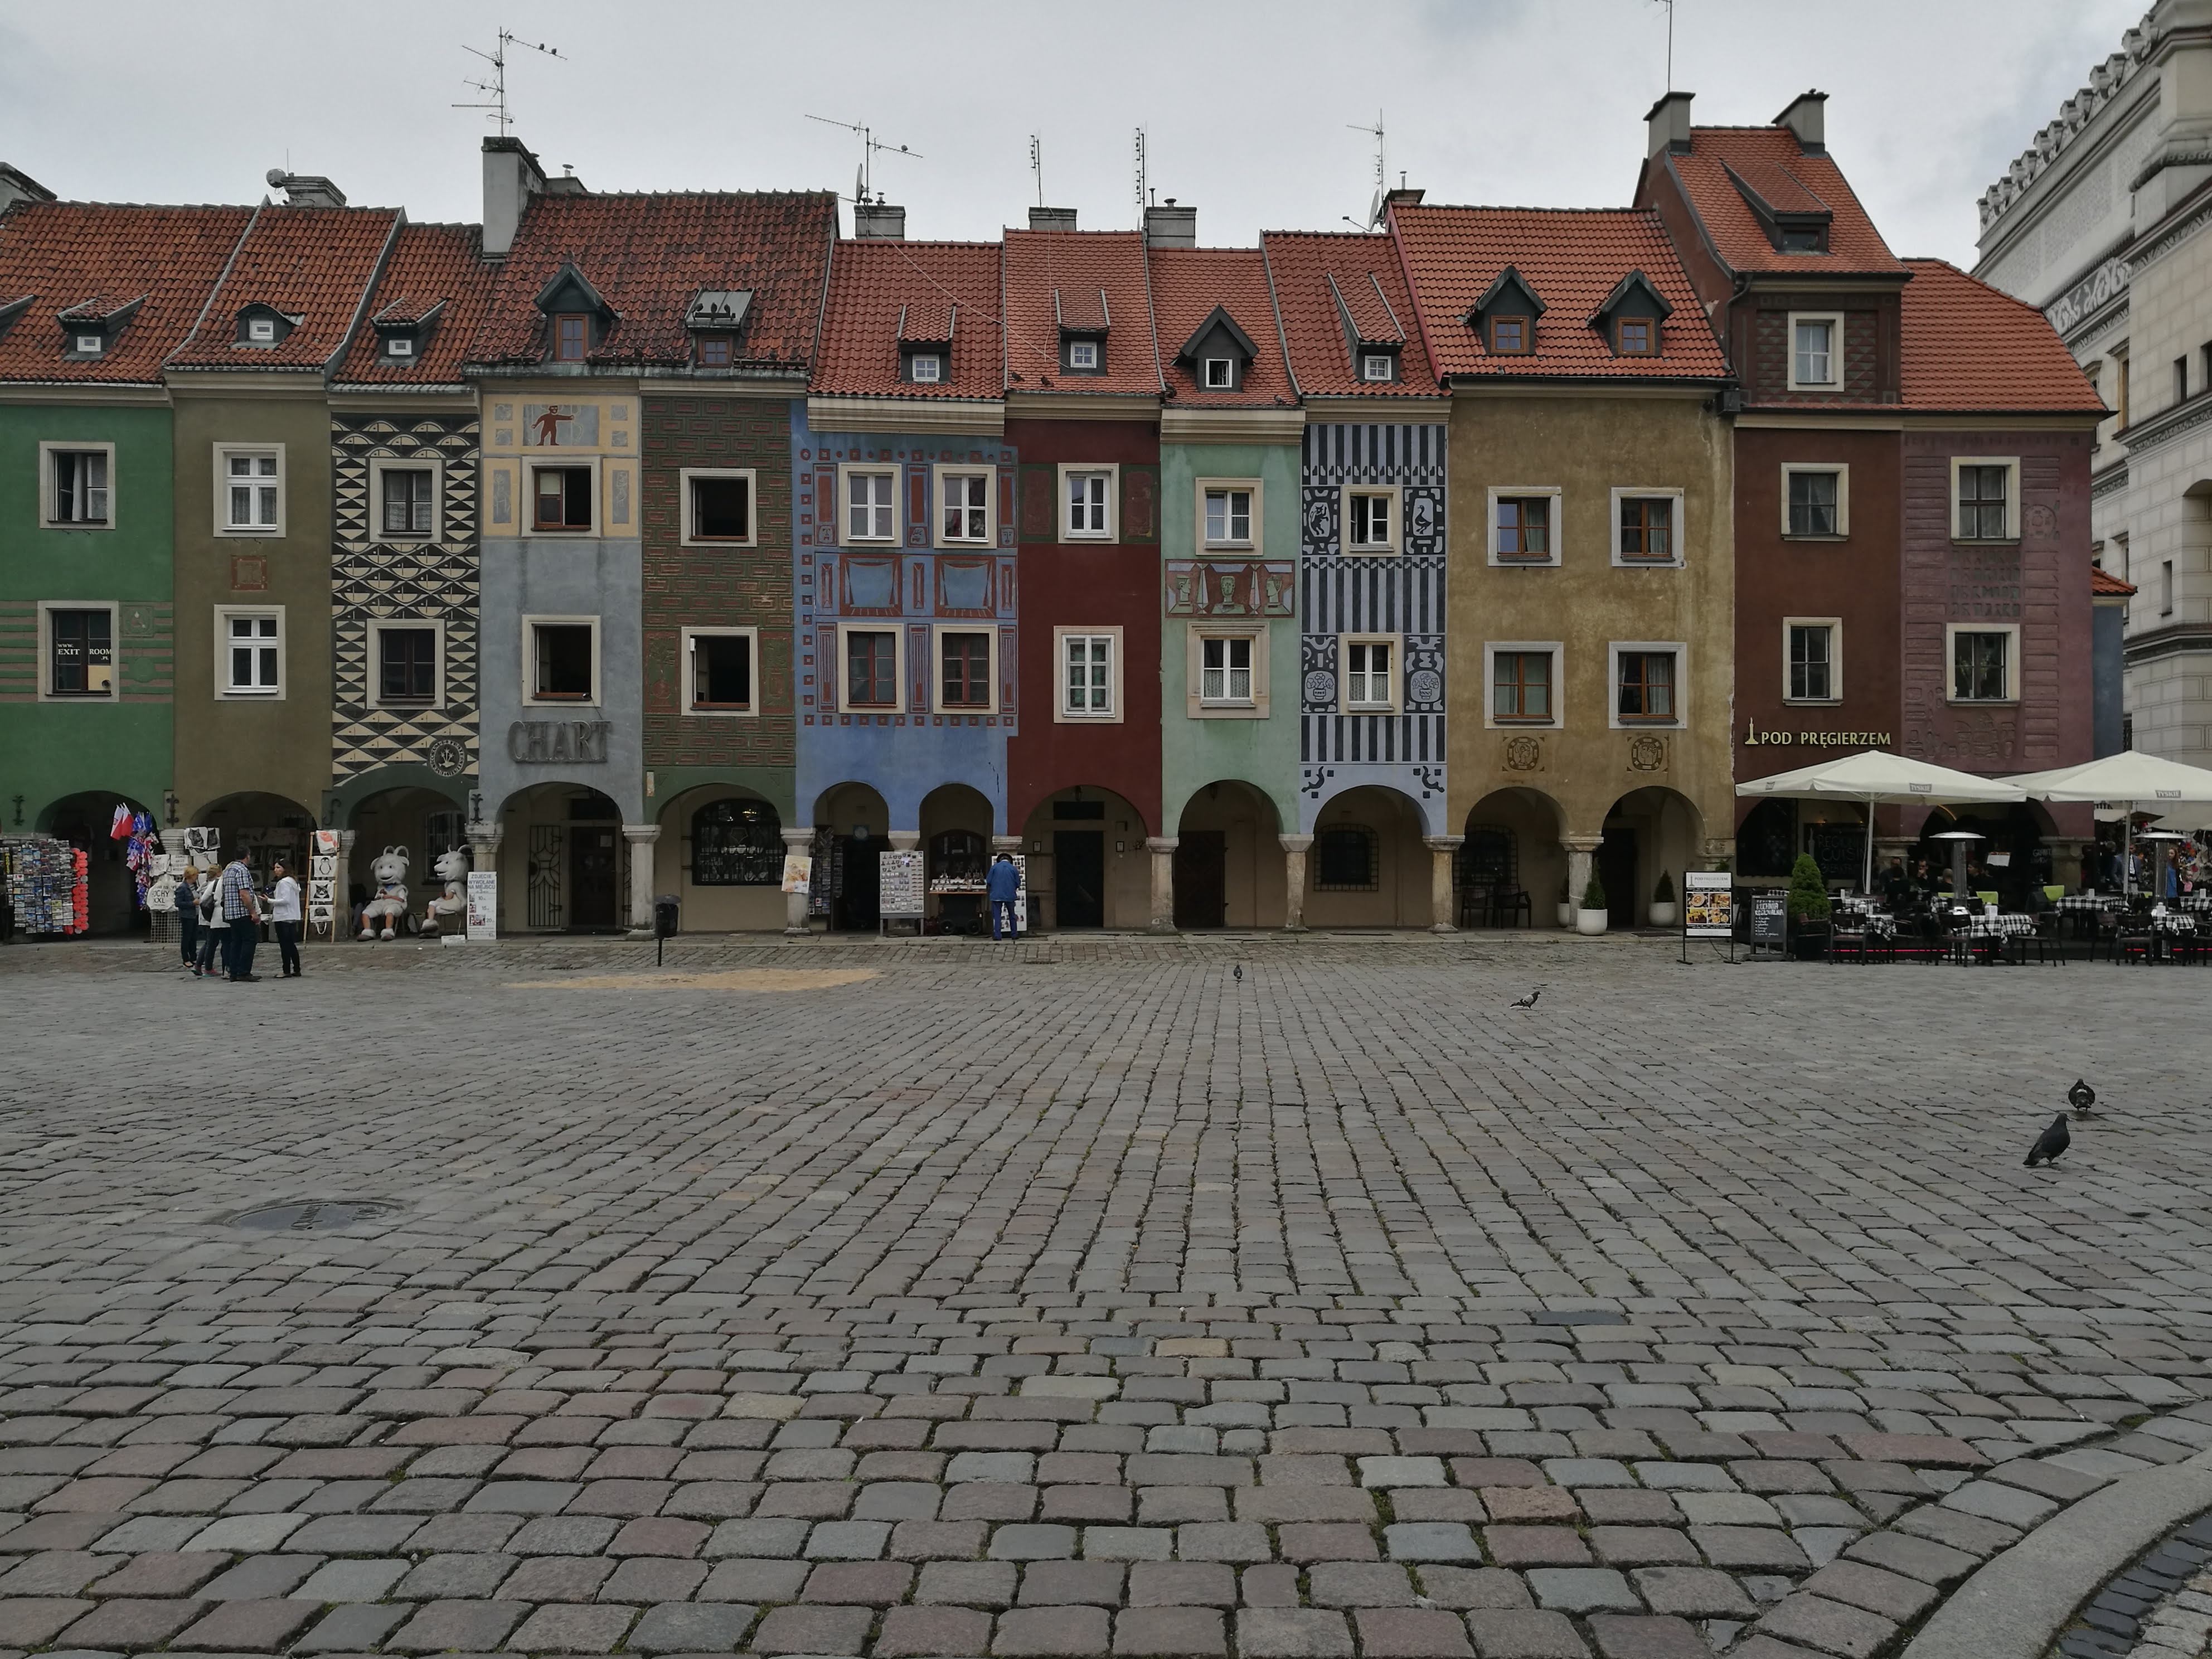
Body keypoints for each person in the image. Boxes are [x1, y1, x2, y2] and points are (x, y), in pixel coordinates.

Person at [219, 851, 263, 981]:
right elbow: (244, 893)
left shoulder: (227, 870)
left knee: (236, 942)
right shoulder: (242, 870)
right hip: (243, 912)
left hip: (231, 913)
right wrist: (253, 912)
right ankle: (244, 971)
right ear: (248, 856)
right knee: (249, 941)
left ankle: (234, 972)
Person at [269, 860, 303, 978]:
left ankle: (286, 970)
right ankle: (297, 968)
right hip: (292, 916)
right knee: (290, 944)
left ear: (285, 869)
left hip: (283, 916)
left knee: (285, 945)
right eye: (275, 868)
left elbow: (285, 900)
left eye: (278, 867)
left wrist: (269, 901)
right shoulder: (294, 882)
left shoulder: (283, 883)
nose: (276, 870)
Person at [195, 866, 226, 978]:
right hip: (210, 918)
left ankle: (199, 965)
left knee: (210, 942)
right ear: (219, 873)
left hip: (205, 918)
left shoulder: (205, 885)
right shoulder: (215, 885)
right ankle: (206, 967)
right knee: (211, 943)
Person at [986, 852, 1020, 941]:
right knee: (1012, 915)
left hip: (996, 895)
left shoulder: (994, 868)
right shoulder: (1013, 869)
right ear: (1010, 861)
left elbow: (989, 881)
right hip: (1010, 895)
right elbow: (1018, 883)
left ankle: (997, 935)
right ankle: (1014, 934)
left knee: (997, 916)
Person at [174, 864, 201, 971]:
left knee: (194, 937)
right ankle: (186, 958)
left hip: (194, 914)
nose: (197, 877)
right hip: (186, 916)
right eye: (196, 875)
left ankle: (194, 957)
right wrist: (192, 903)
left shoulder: (194, 886)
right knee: (187, 937)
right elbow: (178, 903)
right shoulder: (182, 888)